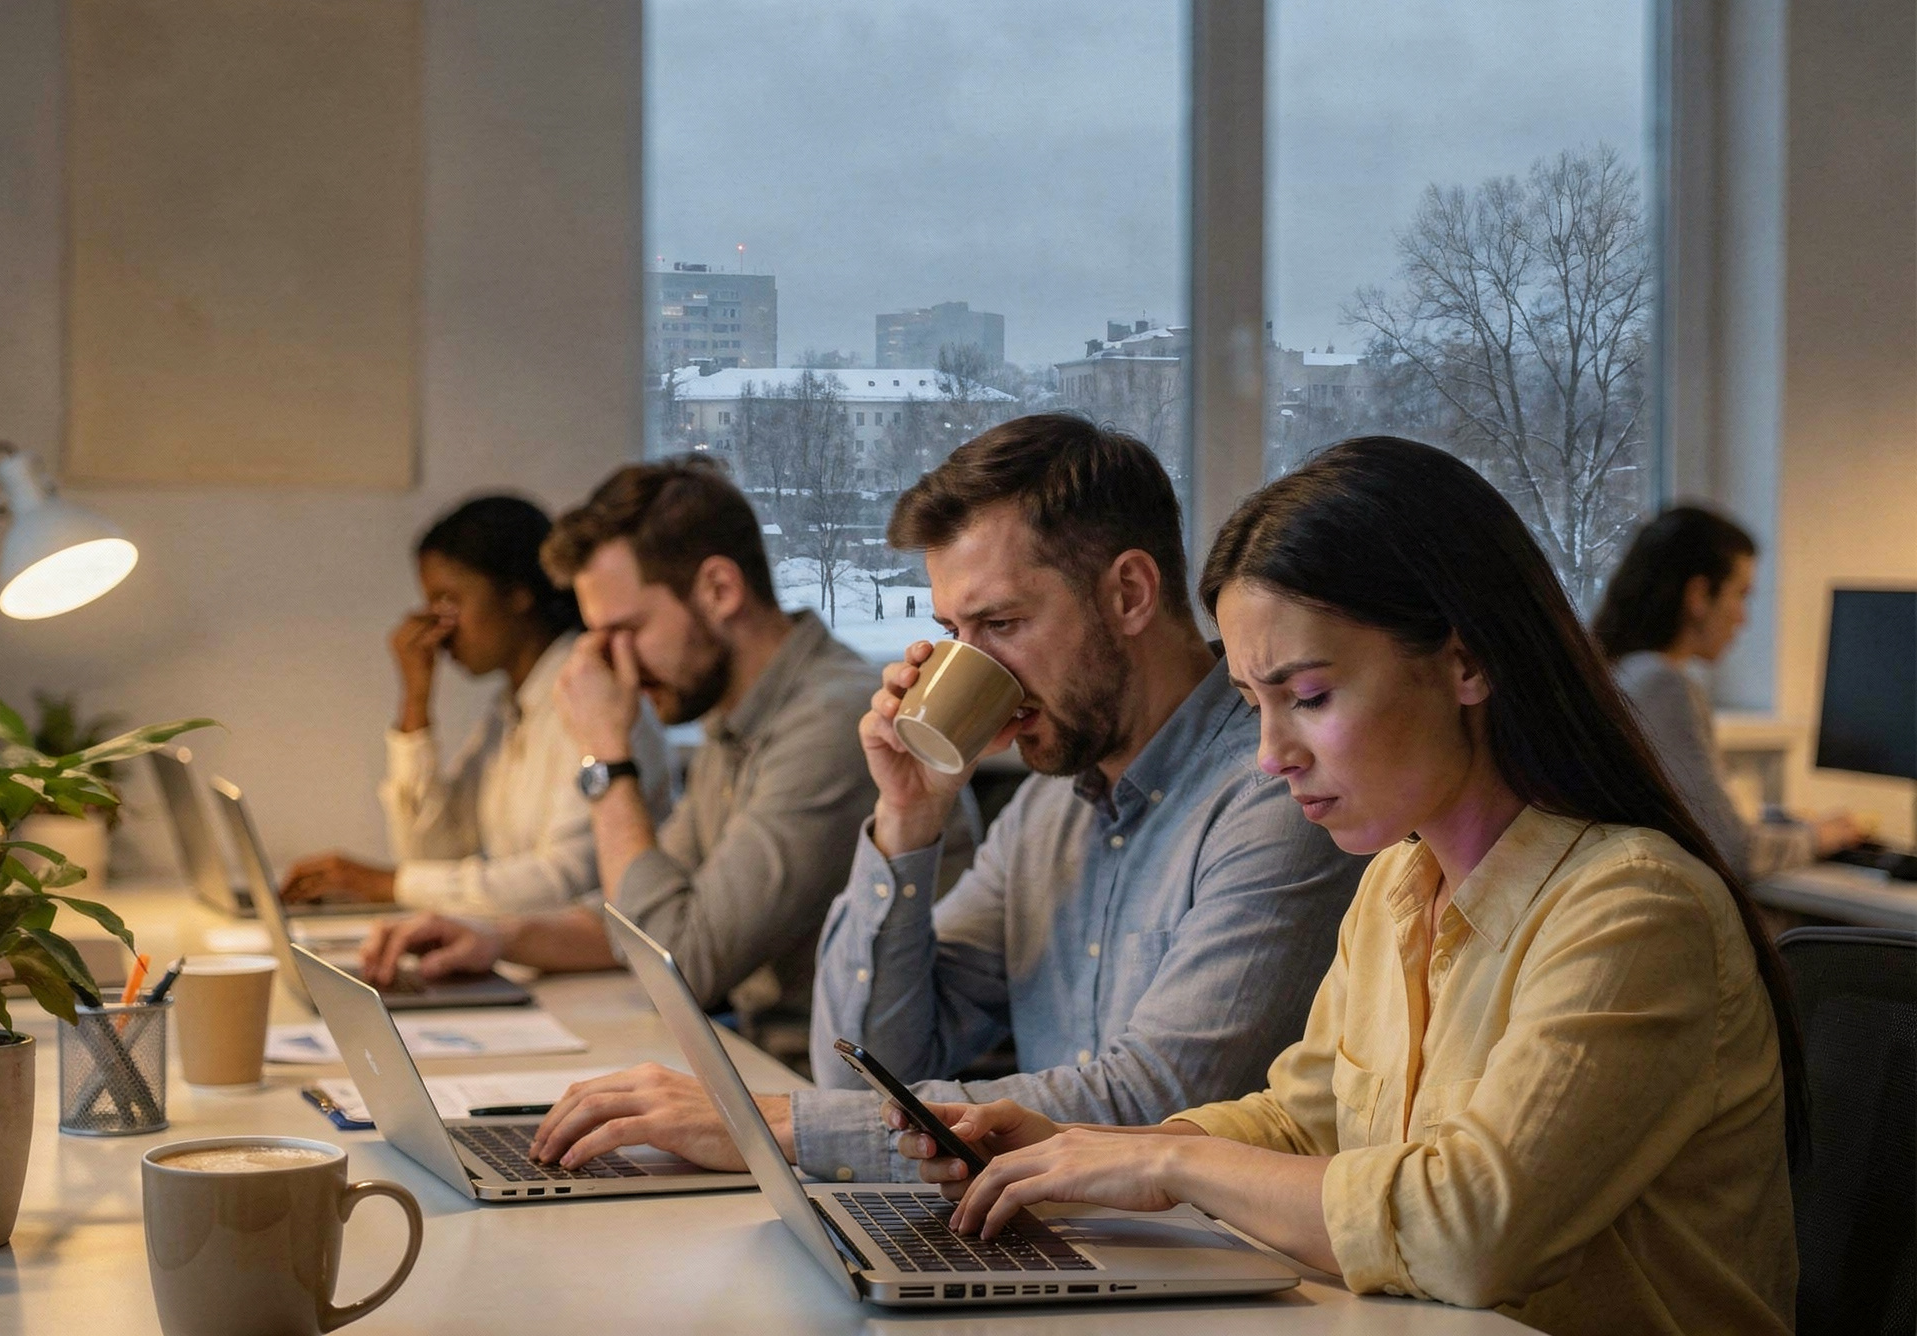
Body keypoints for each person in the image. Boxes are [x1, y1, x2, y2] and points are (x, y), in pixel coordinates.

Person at [888, 438, 1801, 1336]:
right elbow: (1301, 1120)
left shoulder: (1636, 910)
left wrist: (1169, 1160)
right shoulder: (1398, 884)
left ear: (1467, 661)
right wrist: (1078, 1152)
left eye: (1311, 697)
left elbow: (1470, 1230)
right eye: (1254, 705)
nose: (1271, 756)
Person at [526, 415, 1364, 1184]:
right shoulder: (1050, 809)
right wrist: (905, 821)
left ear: (1131, 594)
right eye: (954, 633)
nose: (972, 670)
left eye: (1000, 625)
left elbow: (1158, 1105)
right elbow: (864, 1062)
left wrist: (773, 1128)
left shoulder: (1280, 789)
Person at [359, 458, 881, 1041]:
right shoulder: (737, 718)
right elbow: (639, 920)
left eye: (626, 630)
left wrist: (608, 752)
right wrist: (497, 938)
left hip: (839, 1096)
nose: (613, 664)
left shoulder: (833, 719)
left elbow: (683, 962)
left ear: (719, 589)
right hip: (763, 1062)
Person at [281, 495, 670, 915]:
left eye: (448, 601)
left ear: (519, 593)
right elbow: (431, 856)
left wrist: (387, 884)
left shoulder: (595, 698)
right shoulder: (510, 711)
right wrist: (415, 700)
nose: (436, 628)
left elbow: (566, 882)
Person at [1594, 505, 1859, 878]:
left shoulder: (1616, 672)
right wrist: (1821, 836)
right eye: (1740, 595)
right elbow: (1734, 851)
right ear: (1699, 595)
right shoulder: (1663, 686)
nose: (1743, 617)